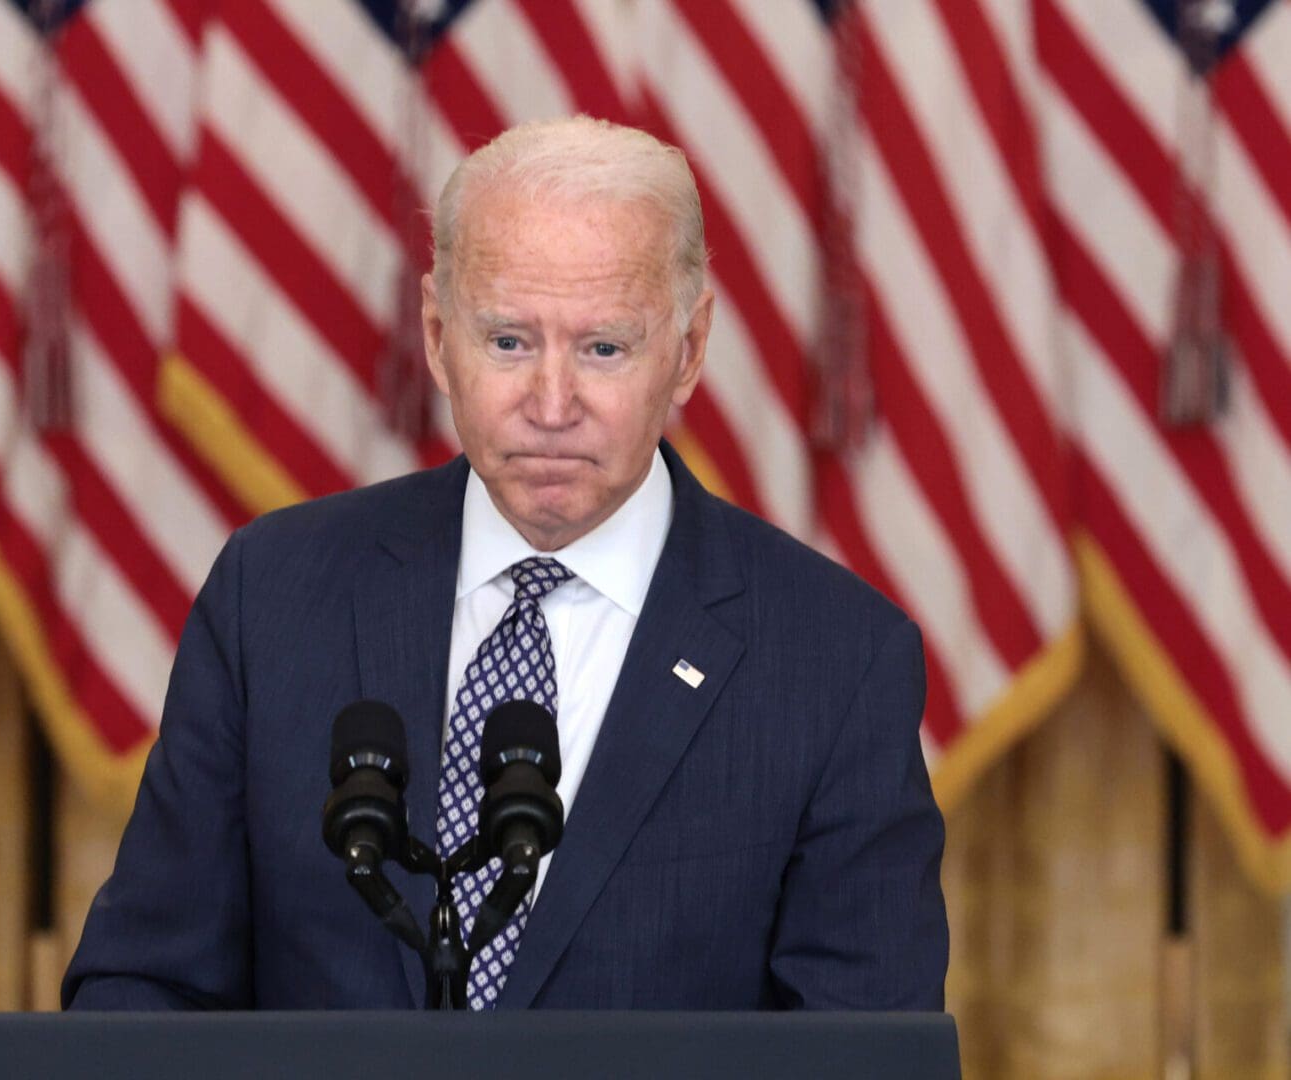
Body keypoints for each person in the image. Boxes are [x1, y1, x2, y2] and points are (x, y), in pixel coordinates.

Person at [62, 116, 947, 1011]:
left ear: (687, 349)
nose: (551, 404)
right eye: (509, 342)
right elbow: (143, 988)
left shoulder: (834, 661)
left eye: (604, 347)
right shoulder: (275, 597)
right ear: (439, 333)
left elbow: (858, 1051)